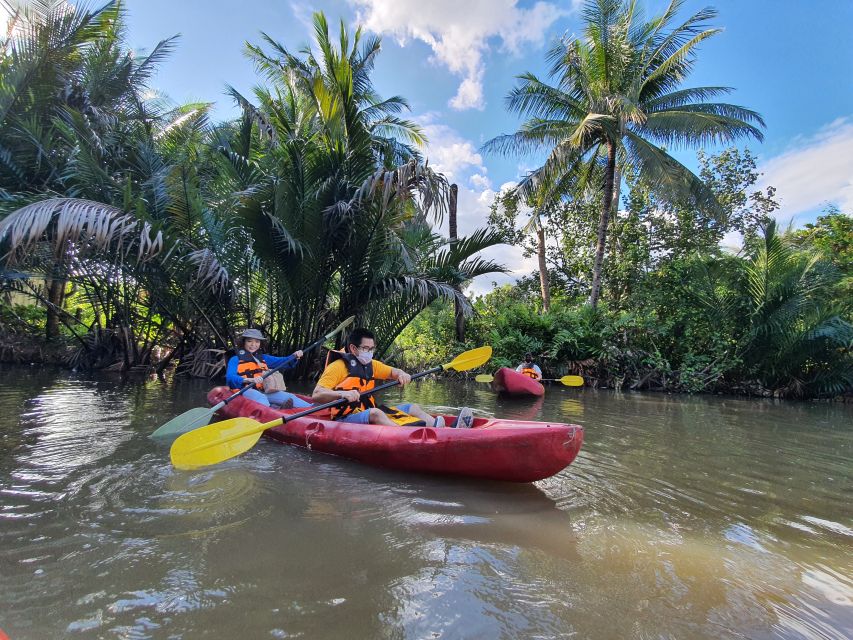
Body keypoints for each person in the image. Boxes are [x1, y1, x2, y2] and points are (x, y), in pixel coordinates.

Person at [312, 327, 474, 428]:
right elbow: (317, 394)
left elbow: (393, 372)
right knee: (375, 413)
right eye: (365, 348)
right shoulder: (338, 367)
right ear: (353, 348)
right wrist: (342, 394)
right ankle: (406, 437)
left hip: (365, 410)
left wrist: (402, 374)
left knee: (412, 408)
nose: (369, 352)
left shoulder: (372, 365)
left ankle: (446, 430)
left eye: (371, 348)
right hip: (345, 418)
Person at [225, 328, 312, 409]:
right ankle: (275, 409)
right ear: (244, 342)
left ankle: (313, 408)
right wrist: (249, 380)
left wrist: (295, 356)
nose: (253, 345)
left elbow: (283, 362)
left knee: (289, 397)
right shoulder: (235, 359)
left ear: (260, 344)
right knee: (261, 398)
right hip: (244, 391)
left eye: (257, 342)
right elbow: (230, 377)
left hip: (263, 390)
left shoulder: (263, 358)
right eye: (249, 341)